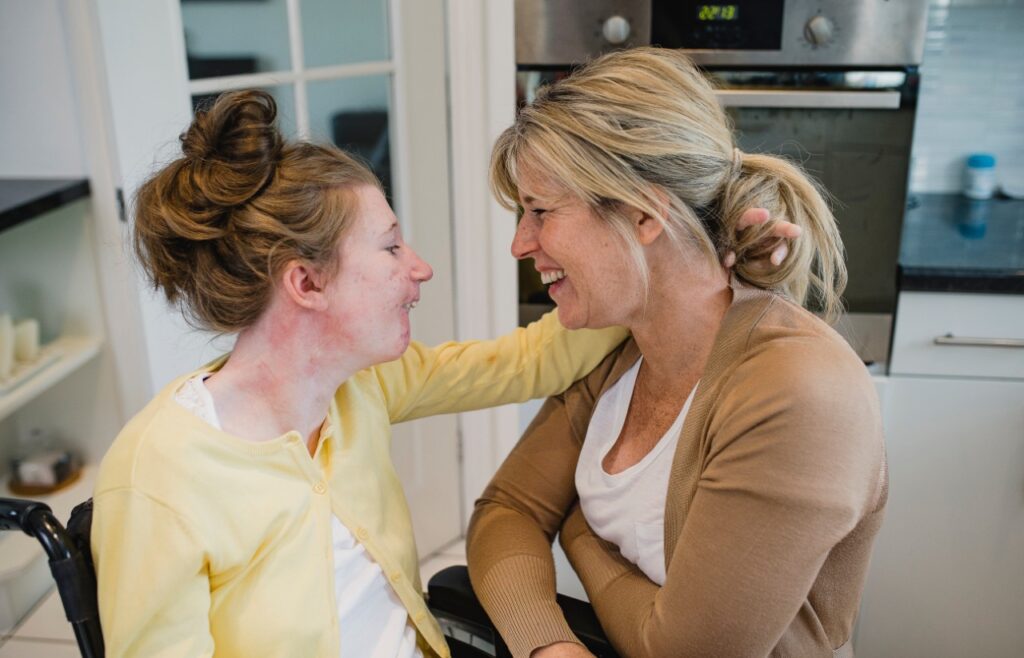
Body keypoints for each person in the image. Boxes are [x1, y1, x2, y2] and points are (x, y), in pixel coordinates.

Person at [92, 90, 792, 657]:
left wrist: (687, 261)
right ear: (306, 283)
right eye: (391, 245)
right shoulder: (159, 478)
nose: (419, 267)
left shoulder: (358, 389)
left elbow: (531, 361)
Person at [466, 47, 887, 658]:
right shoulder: (618, 343)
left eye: (540, 211)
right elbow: (506, 511)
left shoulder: (796, 392)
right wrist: (547, 646)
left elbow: (682, 650)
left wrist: (578, 529)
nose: (521, 244)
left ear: (641, 214)